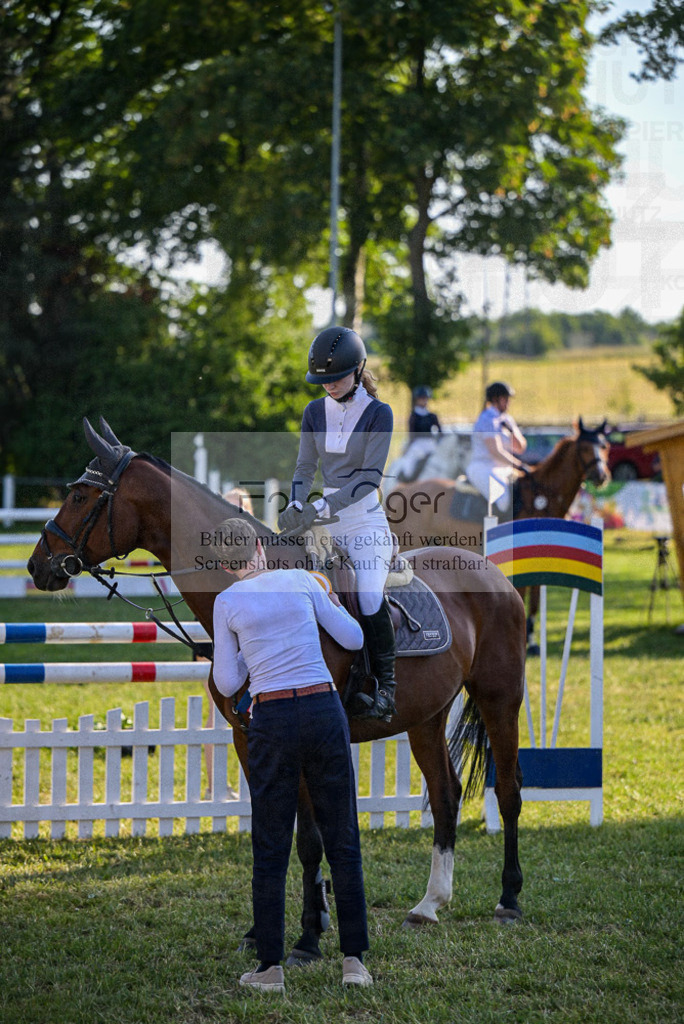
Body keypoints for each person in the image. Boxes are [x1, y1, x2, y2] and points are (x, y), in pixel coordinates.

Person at [211, 518, 373, 994]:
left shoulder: (226, 602)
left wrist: (246, 652)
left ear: (225, 564)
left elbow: (225, 683)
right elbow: (354, 639)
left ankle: (269, 968)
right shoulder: (304, 580)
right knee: (343, 838)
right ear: (260, 548)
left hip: (273, 721)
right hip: (323, 710)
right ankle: (354, 963)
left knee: (271, 844)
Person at [277, 325, 397, 722]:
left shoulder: (379, 414)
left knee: (367, 597)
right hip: (323, 524)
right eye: (322, 380)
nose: (328, 386)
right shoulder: (314, 412)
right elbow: (304, 467)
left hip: (364, 524)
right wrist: (296, 503)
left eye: (337, 378)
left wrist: (317, 509)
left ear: (357, 369)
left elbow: (368, 481)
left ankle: (387, 689)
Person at [465, 381, 528, 513]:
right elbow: (495, 451)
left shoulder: (507, 419)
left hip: (502, 469)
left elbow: (520, 447)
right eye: (506, 399)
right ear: (495, 399)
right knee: (502, 499)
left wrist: (511, 431)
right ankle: (493, 531)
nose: (509, 402)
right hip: (483, 467)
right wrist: (518, 465)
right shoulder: (487, 419)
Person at [402, 385, 442, 479]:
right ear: (417, 400)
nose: (425, 401)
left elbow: (440, 431)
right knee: (411, 460)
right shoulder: (414, 416)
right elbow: (411, 433)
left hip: (430, 442)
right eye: (422, 399)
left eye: (426, 399)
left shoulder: (432, 416)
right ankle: (407, 478)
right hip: (418, 443)